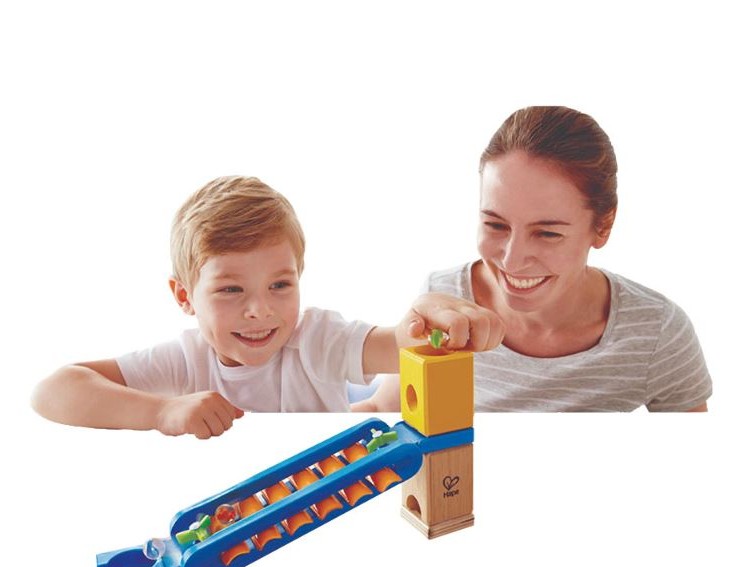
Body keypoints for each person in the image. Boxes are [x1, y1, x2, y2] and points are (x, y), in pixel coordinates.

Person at [31, 176, 503, 438]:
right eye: (231, 290)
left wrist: (429, 321)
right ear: (185, 297)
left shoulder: (316, 338)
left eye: (280, 285)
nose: (260, 310)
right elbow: (53, 390)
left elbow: (399, 343)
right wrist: (160, 412)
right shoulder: (184, 360)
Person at [359, 106, 712, 412]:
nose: (512, 261)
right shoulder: (444, 300)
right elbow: (381, 409)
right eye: (495, 224)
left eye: (547, 233)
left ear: (603, 226)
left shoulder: (656, 332)